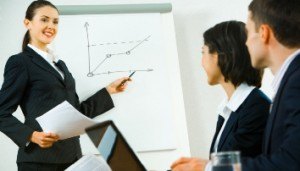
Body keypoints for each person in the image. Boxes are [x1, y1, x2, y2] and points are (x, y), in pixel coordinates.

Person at [0, 0, 132, 170]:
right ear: (28, 23)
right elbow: (1, 112)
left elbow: (75, 113)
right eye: (44, 19)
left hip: (73, 159)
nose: (51, 26)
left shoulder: (60, 65)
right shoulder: (20, 62)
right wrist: (31, 136)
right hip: (40, 161)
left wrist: (109, 90)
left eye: (55, 21)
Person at [171, 0, 300, 170]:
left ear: (264, 33)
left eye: (248, 33)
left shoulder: (294, 83)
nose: (246, 44)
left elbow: (290, 163)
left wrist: (209, 168)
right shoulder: (287, 83)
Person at [171, 20, 270, 170]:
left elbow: (234, 167)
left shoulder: (256, 107)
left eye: (203, 52)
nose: (201, 62)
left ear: (217, 56)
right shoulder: (229, 109)